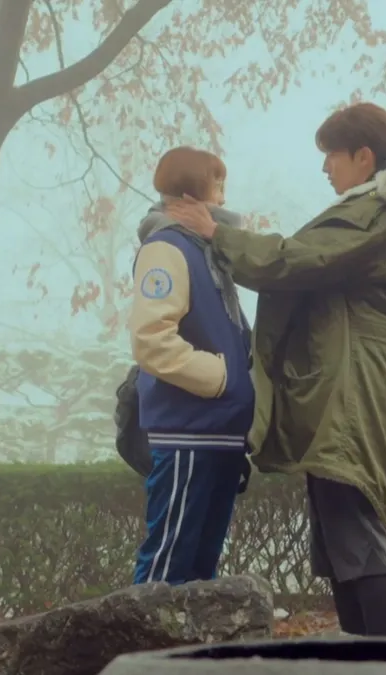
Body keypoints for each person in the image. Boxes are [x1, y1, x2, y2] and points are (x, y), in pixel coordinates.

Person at [165, 103, 386, 636]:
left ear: (363, 157)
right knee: (340, 539)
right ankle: (359, 658)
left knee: (357, 529)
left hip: (358, 391)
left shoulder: (375, 215)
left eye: (332, 157)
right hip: (353, 387)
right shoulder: (375, 212)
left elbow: (295, 260)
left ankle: (385, 663)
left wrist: (217, 233)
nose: (325, 168)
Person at [128, 146, 255, 586]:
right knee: (167, 566)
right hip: (188, 428)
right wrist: (221, 378)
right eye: (218, 185)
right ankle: (143, 635)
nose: (225, 195)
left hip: (221, 429)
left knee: (202, 569)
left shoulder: (207, 250)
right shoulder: (166, 247)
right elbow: (152, 340)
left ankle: (191, 637)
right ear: (192, 191)